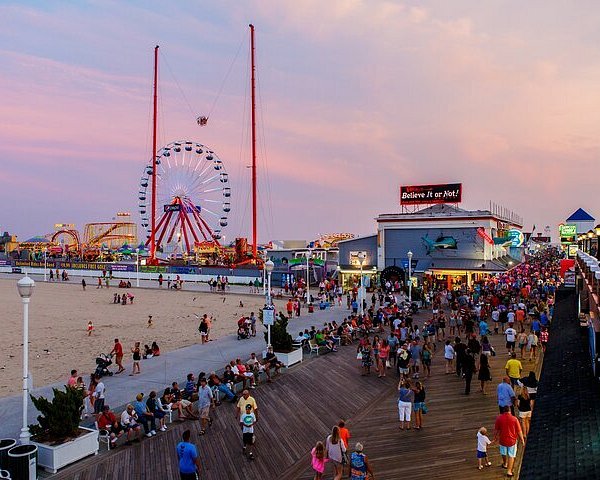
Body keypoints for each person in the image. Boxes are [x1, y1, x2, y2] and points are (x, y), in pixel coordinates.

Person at [494, 405, 525, 477]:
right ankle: (509, 471)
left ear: (503, 411)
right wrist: (522, 440)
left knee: (503, 453)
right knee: (511, 455)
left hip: (502, 440)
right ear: (510, 411)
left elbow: (496, 430)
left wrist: (495, 437)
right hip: (512, 441)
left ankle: (505, 464)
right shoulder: (514, 419)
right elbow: (519, 431)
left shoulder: (499, 418)